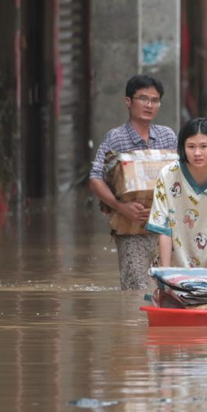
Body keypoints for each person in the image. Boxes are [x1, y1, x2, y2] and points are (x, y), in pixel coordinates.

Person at [89, 74, 177, 290]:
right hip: (131, 227)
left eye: (155, 100)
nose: (149, 105)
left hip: (166, 227)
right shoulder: (116, 138)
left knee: (168, 285)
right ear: (128, 101)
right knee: (135, 287)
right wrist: (121, 207)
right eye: (143, 99)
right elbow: (95, 178)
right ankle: (132, 324)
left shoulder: (167, 136)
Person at [147, 117, 207, 272]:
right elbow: (163, 227)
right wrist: (165, 275)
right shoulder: (168, 175)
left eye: (204, 146)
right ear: (182, 147)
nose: (197, 153)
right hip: (171, 266)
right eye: (191, 146)